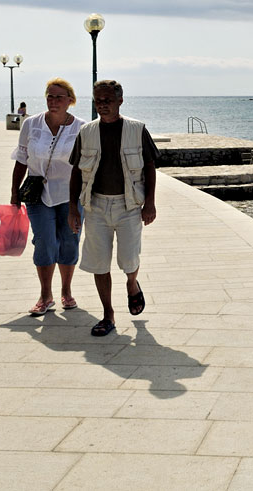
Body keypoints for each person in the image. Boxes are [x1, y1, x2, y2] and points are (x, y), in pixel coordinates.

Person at [68, 79, 160, 337]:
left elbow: (150, 166)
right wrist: (73, 209)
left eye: (108, 100)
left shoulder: (136, 129)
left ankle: (132, 284)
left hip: (128, 205)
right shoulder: (86, 131)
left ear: (120, 100)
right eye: (98, 100)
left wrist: (150, 203)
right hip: (95, 205)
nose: (103, 105)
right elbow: (76, 170)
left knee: (129, 259)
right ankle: (108, 314)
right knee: (99, 263)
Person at [10, 78, 86, 316]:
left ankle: (66, 291)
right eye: (50, 96)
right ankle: (45, 295)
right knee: (44, 242)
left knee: (69, 241)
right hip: (37, 194)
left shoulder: (82, 128)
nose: (54, 101)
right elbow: (22, 159)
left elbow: (86, 165)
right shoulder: (31, 124)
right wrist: (14, 193)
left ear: (70, 101)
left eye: (59, 97)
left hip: (70, 196)